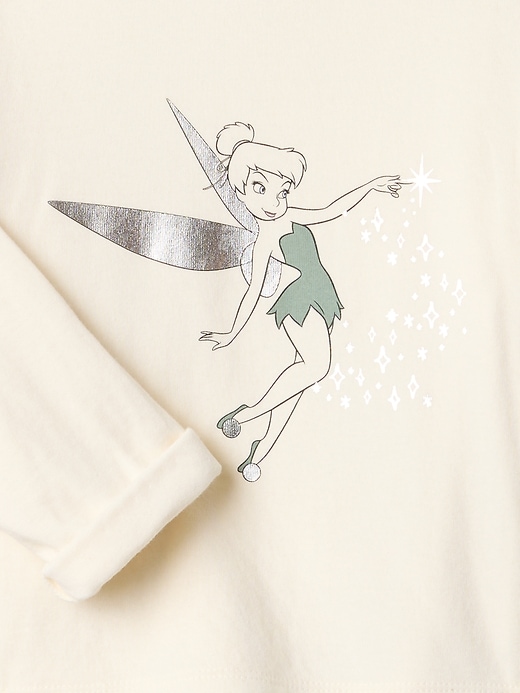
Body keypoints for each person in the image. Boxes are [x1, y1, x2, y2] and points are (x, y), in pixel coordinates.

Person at [200, 122, 402, 481]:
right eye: (260, 189)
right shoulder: (265, 241)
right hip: (300, 302)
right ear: (241, 192)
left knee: (298, 380)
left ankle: (258, 454)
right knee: (317, 367)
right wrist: (231, 333)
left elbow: (332, 210)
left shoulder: (291, 215)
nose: (273, 202)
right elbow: (253, 291)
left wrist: (371, 186)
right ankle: (245, 415)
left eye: (282, 192)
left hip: (320, 295)